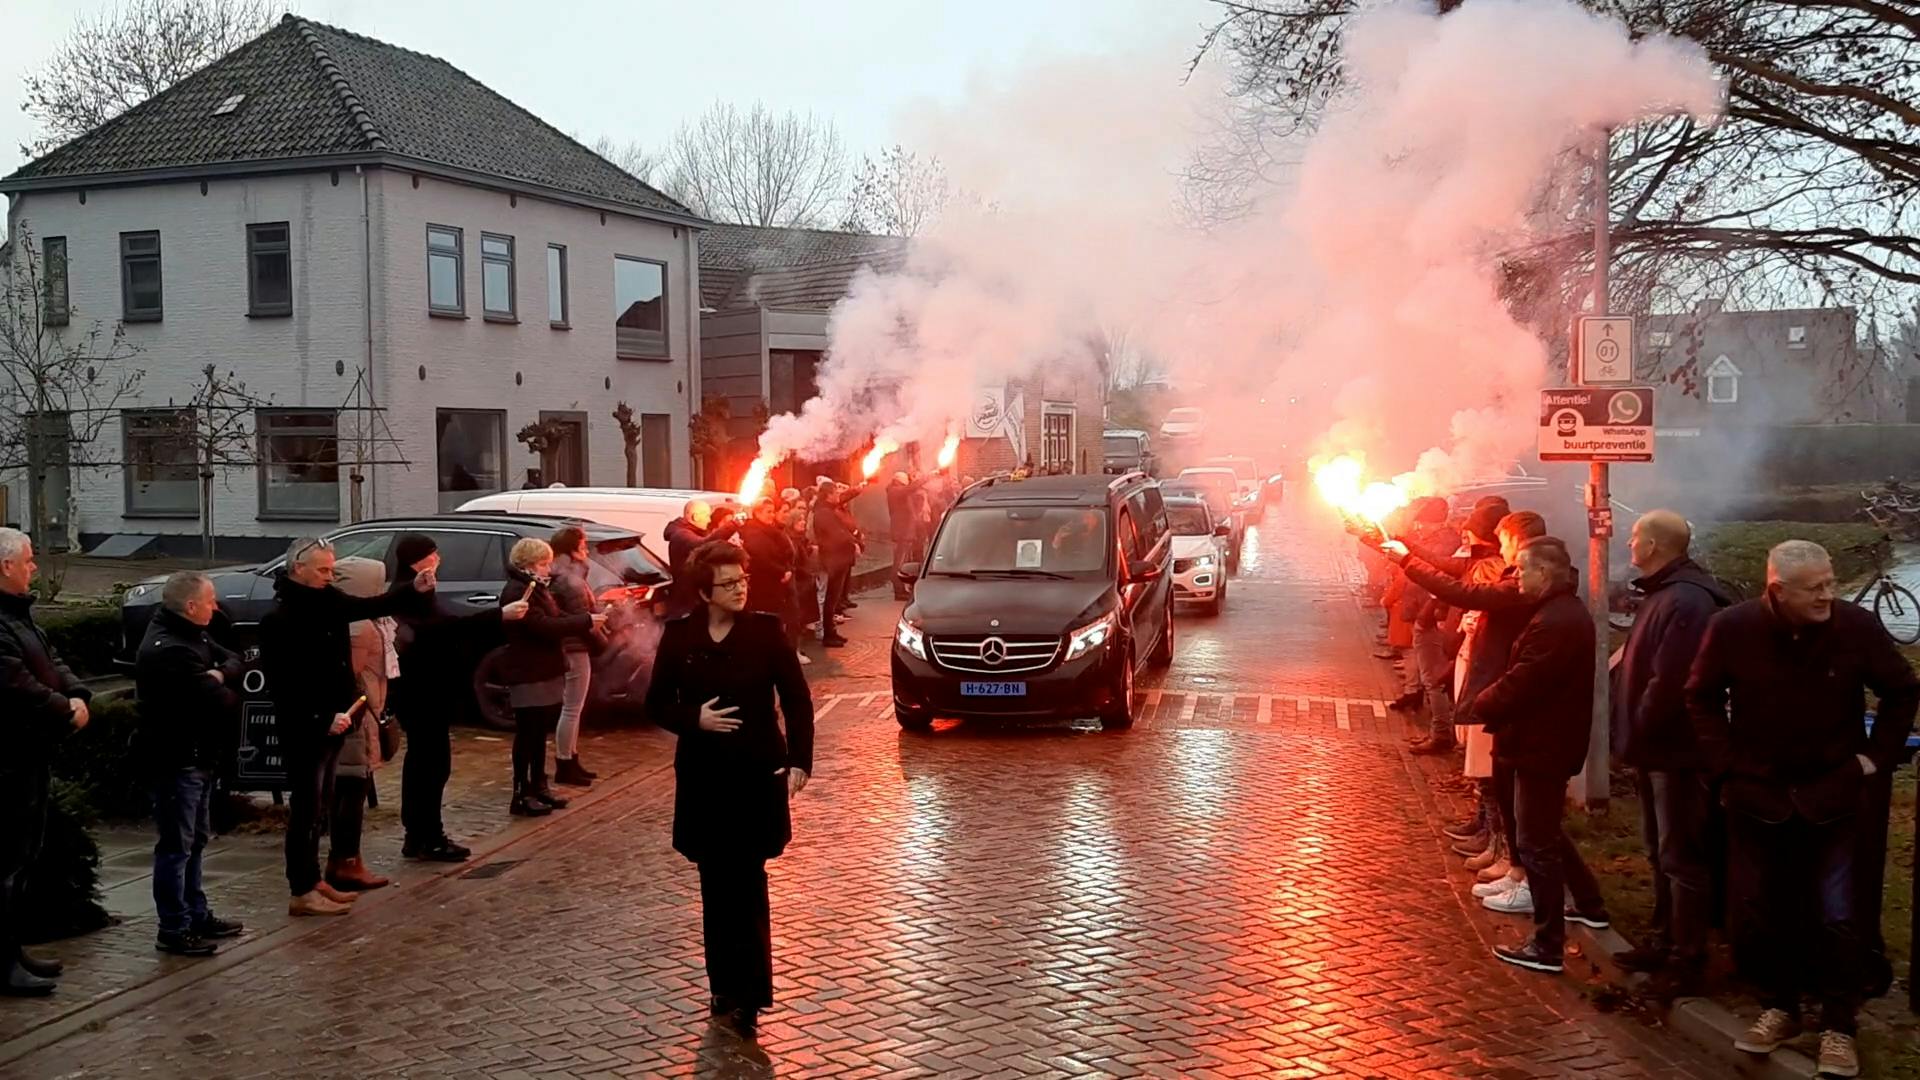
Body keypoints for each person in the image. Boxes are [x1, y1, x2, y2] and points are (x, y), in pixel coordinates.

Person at [1687, 540, 1918, 1078]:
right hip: (1758, 796)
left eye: (1831, 582)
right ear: (1777, 590)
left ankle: (1839, 1024)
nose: (1827, 595)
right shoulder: (1732, 629)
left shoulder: (1854, 628)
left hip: (1832, 794)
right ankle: (1780, 1006)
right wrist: (1726, 765)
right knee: (1766, 908)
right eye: (1814, 588)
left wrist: (1872, 760)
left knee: (1838, 911)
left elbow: (1902, 690)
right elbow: (1699, 696)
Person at [644, 541, 815, 1039]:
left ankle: (751, 998)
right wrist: (691, 718)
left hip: (755, 776)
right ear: (704, 591)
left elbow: (798, 701)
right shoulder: (680, 637)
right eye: (729, 583)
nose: (741, 588)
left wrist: (799, 760)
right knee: (714, 888)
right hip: (703, 778)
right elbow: (656, 703)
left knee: (747, 887)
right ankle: (721, 985)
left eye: (743, 579)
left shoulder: (766, 632)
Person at [1450, 537, 1609, 974]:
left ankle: (1547, 944)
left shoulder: (1556, 622)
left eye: (1522, 570)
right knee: (1547, 834)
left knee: (1536, 844)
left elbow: (1525, 680)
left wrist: (1482, 701)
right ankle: (1590, 904)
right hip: (1545, 741)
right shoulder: (1558, 613)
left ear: (1544, 572)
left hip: (1543, 744)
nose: (1516, 578)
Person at [261, 536, 434, 917]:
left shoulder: (328, 600)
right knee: (305, 809)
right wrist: (322, 717)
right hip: (308, 727)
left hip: (338, 719)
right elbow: (286, 683)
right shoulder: (281, 618)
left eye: (331, 568)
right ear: (297, 569)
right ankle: (301, 888)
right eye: (322, 569)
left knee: (320, 806)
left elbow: (370, 604)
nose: (329, 575)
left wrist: (412, 589)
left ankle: (315, 880)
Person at [1387, 510, 1547, 905]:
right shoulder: (1512, 581)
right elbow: (1454, 578)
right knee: (1495, 781)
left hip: (1497, 696)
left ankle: (1518, 867)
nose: (1499, 546)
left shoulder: (1514, 587)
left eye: (1503, 539)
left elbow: (1461, 591)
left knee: (1509, 791)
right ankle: (1510, 859)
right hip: (1488, 689)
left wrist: (1406, 559)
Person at [1609, 510, 1733, 984]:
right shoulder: (1666, 594)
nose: (1628, 544)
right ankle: (1664, 940)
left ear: (1656, 546)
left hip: (1675, 752)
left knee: (1680, 852)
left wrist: (1637, 731)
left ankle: (1687, 955)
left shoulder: (1685, 601)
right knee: (1660, 848)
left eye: (1635, 537)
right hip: (1655, 749)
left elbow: (1670, 681)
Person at [389, 533, 526, 863]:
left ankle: (421, 833)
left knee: (426, 762)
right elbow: (440, 630)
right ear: (416, 560)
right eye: (432, 555)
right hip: (421, 690)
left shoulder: (419, 590)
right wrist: (498, 616)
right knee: (431, 764)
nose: (438, 560)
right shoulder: (409, 594)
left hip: (426, 688)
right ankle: (427, 835)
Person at [133, 570, 246, 957]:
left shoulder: (192, 634)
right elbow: (217, 699)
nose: (217, 608)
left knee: (195, 841)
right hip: (175, 759)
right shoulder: (169, 648)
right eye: (211, 601)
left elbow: (233, 659)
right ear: (192, 605)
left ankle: (195, 912)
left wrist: (219, 673)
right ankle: (174, 927)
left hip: (198, 756)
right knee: (176, 847)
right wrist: (218, 681)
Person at [0, 529, 91, 995]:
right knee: (6, 862)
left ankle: (13, 951)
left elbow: (50, 659)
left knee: (23, 858)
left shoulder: (20, 615)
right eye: (29, 561)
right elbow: (15, 684)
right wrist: (63, 708)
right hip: (7, 759)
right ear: (5, 566)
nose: (34, 567)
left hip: (29, 754)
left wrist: (75, 692)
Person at [498, 538, 606, 816]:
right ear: (529, 564)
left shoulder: (537, 588)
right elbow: (541, 626)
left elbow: (556, 615)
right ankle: (522, 793)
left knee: (537, 734)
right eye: (544, 563)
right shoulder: (518, 590)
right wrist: (585, 621)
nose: (549, 568)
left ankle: (539, 786)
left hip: (543, 668)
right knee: (528, 734)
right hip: (528, 670)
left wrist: (589, 617)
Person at [329, 558, 401, 892]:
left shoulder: (362, 622)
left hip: (362, 714)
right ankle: (346, 861)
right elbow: (353, 674)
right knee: (351, 789)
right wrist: (370, 708)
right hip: (358, 716)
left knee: (351, 787)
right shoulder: (359, 626)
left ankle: (346, 860)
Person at [547, 526, 603, 787]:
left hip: (570, 645)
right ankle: (565, 763)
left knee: (573, 707)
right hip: (574, 647)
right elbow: (583, 618)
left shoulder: (564, 575)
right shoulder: (570, 581)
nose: (587, 550)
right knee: (572, 708)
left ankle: (572, 758)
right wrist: (601, 634)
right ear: (571, 549)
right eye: (583, 545)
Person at [739, 498, 799, 645]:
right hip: (764, 586)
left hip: (775, 584)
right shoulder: (754, 533)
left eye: (773, 511)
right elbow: (761, 558)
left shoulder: (771, 531)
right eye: (768, 512)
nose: (772, 515)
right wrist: (781, 572)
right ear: (757, 513)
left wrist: (787, 569)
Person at [813, 480, 862, 647]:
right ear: (828, 495)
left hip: (837, 559)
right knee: (830, 598)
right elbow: (838, 533)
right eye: (835, 493)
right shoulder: (824, 513)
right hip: (832, 559)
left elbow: (843, 498)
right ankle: (828, 633)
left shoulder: (826, 508)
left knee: (833, 598)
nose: (838, 497)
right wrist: (854, 542)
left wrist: (858, 488)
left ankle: (831, 631)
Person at [886, 471, 928, 600]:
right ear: (899, 480)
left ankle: (902, 589)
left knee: (903, 561)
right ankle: (898, 590)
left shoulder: (899, 491)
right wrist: (927, 477)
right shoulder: (895, 491)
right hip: (901, 532)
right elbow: (910, 488)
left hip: (906, 532)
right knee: (899, 562)